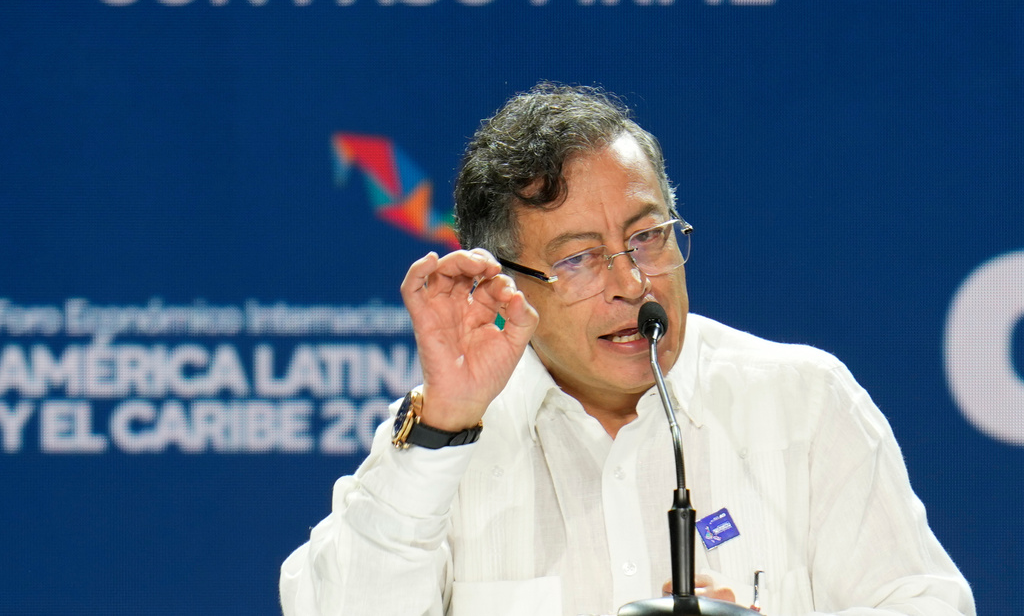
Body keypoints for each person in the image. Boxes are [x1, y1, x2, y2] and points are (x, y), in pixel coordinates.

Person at [279, 83, 975, 616]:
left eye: (648, 236)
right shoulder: (444, 446)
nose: (632, 282)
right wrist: (444, 424)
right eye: (579, 259)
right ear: (502, 285)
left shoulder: (803, 405)